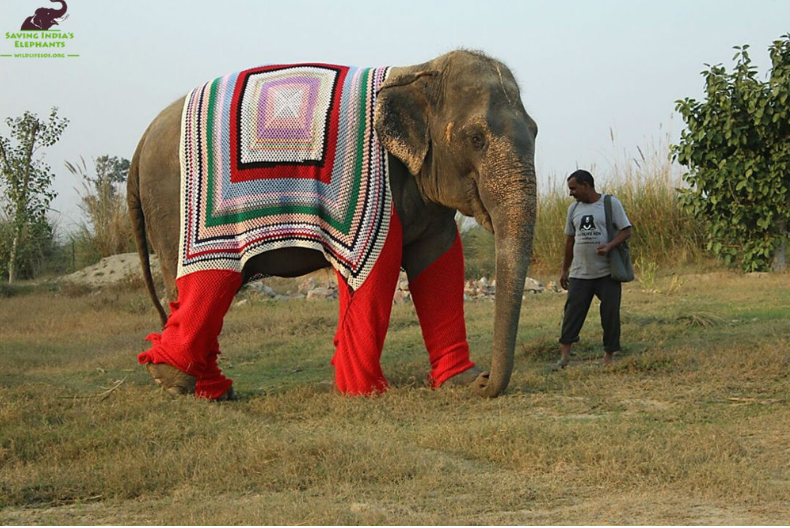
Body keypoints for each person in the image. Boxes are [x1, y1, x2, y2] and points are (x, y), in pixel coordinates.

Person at [554, 169, 632, 370]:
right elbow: (569, 240)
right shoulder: (573, 209)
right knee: (572, 314)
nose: (571, 193)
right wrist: (565, 269)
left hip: (607, 272)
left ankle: (609, 355)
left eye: (573, 188)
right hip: (580, 273)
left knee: (610, 314)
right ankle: (564, 357)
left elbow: (626, 230)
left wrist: (609, 246)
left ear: (586, 185)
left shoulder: (609, 203)